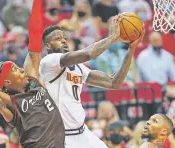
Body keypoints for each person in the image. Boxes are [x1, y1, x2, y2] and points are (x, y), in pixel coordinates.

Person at [39, 13, 145, 147]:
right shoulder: (48, 62)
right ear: (48, 46)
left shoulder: (78, 67)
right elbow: (88, 54)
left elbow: (113, 82)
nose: (64, 40)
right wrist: (113, 37)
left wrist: (131, 49)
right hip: (62, 136)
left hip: (83, 132)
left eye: (65, 37)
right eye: (58, 38)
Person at [0, 0, 65, 147]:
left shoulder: (32, 79)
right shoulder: (7, 102)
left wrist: (37, 2)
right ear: (7, 82)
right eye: (15, 70)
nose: (21, 70)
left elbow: (35, 34)